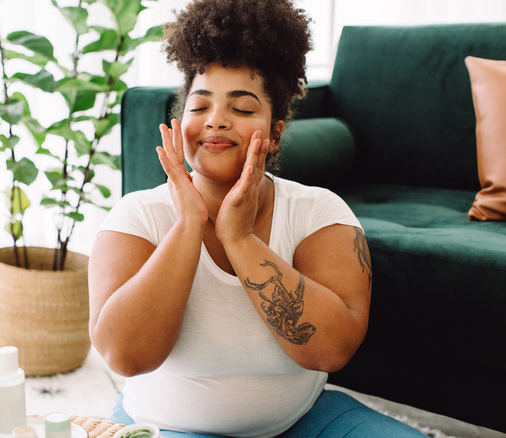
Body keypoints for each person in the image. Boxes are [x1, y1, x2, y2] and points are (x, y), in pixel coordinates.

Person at [87, 0, 426, 437]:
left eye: (242, 109)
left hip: (305, 422)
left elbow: (330, 351)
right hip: (164, 426)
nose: (216, 121)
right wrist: (190, 224)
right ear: (178, 121)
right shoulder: (136, 216)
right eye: (199, 105)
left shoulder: (319, 212)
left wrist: (240, 239)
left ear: (276, 131)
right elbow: (125, 357)